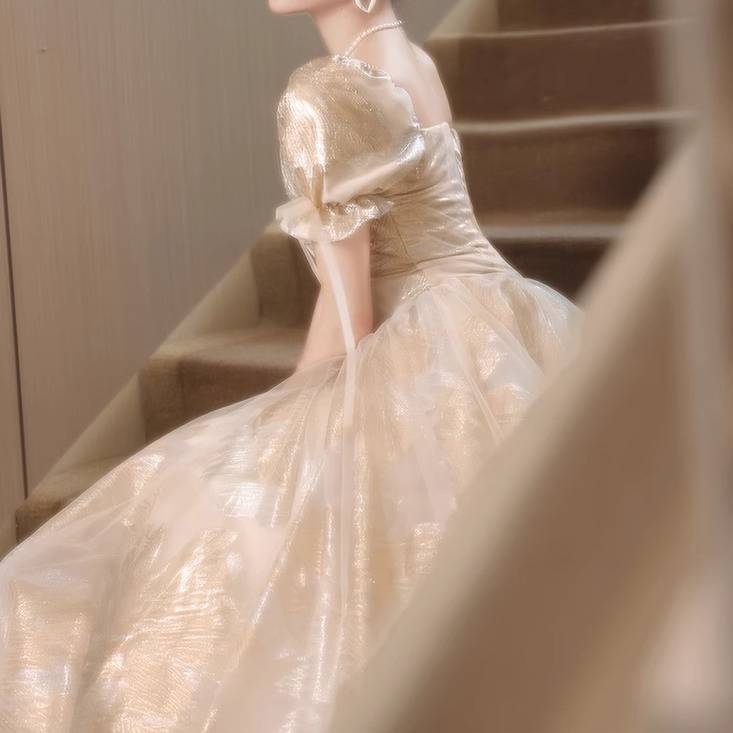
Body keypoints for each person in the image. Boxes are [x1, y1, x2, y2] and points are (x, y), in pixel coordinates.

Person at [0, 1, 580, 730]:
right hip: (492, 307)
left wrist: (290, 406)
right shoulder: (413, 61)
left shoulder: (324, 93)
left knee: (225, 513)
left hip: (420, 329)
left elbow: (351, 313)